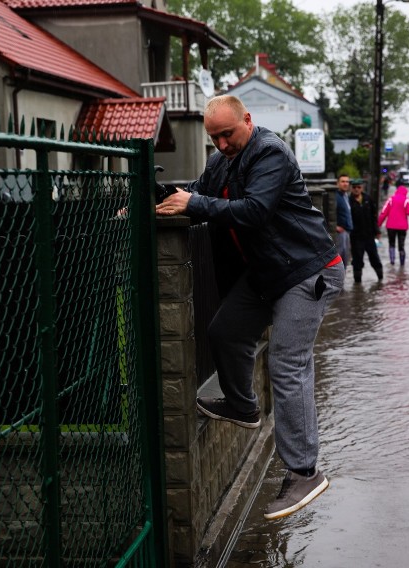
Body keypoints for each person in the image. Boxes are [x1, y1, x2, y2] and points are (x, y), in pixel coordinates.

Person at [155, 95, 344, 520]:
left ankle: (304, 472)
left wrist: (194, 203)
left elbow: (254, 211)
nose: (221, 144)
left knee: (287, 364)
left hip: (307, 272)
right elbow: (200, 194)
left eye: (228, 133)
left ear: (248, 119)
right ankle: (242, 405)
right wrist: (162, 199)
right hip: (267, 275)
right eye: (214, 137)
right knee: (224, 331)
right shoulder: (220, 160)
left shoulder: (271, 152)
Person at [349, 178, 383, 282]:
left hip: (369, 235)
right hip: (356, 237)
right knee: (357, 260)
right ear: (351, 188)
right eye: (354, 187)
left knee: (374, 258)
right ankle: (357, 283)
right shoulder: (348, 201)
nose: (356, 189)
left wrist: (377, 231)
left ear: (362, 188)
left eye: (358, 187)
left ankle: (380, 279)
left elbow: (374, 217)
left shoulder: (368, 199)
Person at [377, 184, 409, 266]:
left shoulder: (391, 199)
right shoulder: (406, 200)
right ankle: (402, 264)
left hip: (391, 226)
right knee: (401, 245)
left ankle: (392, 261)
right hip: (402, 227)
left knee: (391, 244)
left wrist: (378, 225)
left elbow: (383, 213)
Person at [335, 174, 353, 268]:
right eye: (343, 181)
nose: (345, 184)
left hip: (347, 231)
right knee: (340, 258)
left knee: (346, 257)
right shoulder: (336, 197)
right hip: (340, 232)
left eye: (347, 182)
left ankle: (343, 280)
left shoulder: (345, 195)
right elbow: (328, 213)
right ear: (337, 183)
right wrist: (335, 226)